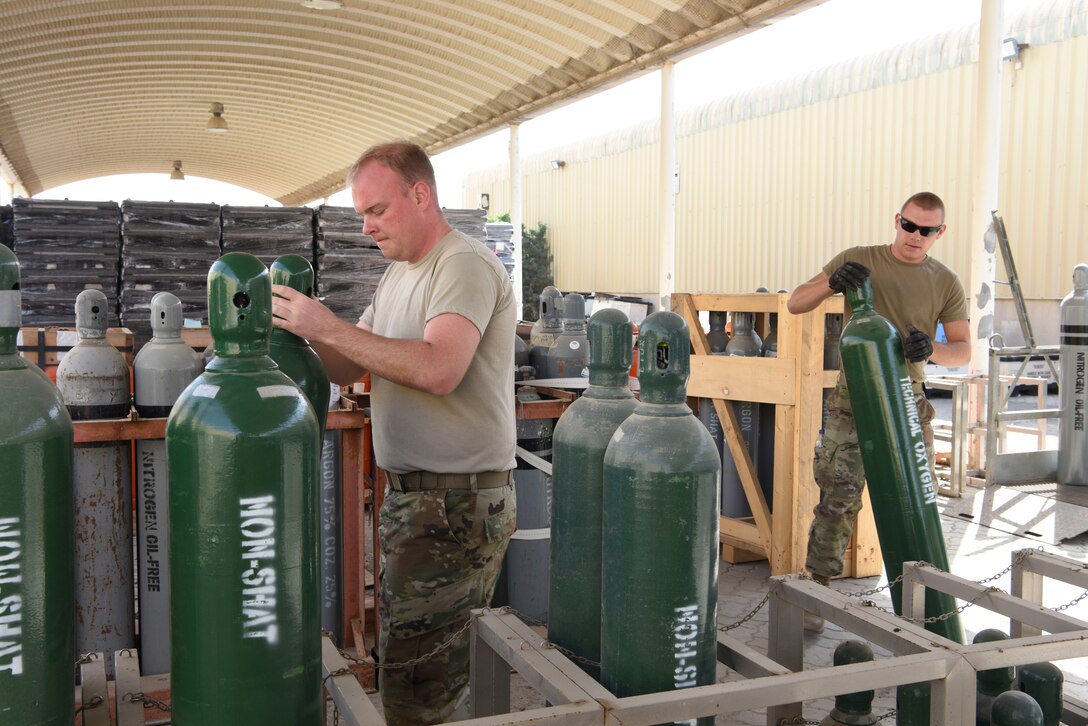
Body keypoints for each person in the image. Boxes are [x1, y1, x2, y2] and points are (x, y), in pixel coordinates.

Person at [271, 141, 517, 724]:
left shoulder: (462, 264)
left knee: (419, 689)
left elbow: (438, 368)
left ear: (420, 194)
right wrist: (294, 334)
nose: (366, 228)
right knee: (412, 667)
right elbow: (350, 366)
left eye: (376, 210)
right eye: (361, 214)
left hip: (456, 502)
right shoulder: (399, 276)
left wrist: (326, 324)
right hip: (418, 500)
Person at [786, 191, 970, 616]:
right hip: (854, 400)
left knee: (918, 504)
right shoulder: (859, 259)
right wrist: (831, 283)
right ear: (897, 220)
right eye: (909, 225)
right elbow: (797, 303)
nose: (915, 236)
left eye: (927, 230)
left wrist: (932, 351)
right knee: (837, 500)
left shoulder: (945, 281)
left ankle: (921, 602)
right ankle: (817, 595)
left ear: (940, 233)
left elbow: (963, 351)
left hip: (909, 400)